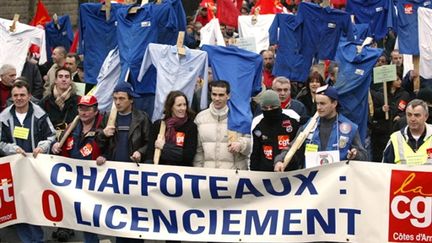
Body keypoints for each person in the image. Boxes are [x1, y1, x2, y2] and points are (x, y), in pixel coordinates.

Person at [0, 80, 56, 243]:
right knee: (18, 208)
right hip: (13, 169)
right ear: (11, 97)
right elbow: (1, 141)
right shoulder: (3, 117)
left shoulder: (40, 113)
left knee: (35, 207)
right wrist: (13, 149)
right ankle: (26, 240)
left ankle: (38, 239)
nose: (19, 98)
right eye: (15, 95)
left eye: (22, 95)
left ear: (29, 96)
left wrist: (42, 146)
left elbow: (51, 136)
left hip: (35, 169)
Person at [96, 82, 150, 242]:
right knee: (119, 216)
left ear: (131, 100)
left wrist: (140, 152)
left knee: (135, 216)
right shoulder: (108, 117)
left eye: (121, 98)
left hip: (134, 174)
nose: (117, 102)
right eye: (115, 99)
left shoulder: (141, 118)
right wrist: (103, 135)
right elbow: (100, 145)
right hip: (114, 175)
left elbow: (149, 143)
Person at [274, 85, 367, 171]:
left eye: (322, 104)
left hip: (338, 181)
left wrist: (356, 154)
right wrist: (279, 160)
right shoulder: (309, 126)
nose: (318, 107)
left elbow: (364, 156)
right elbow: (292, 147)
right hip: (314, 180)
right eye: (317, 104)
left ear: (334, 103)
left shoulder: (349, 128)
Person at [51, 95, 102, 243]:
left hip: (92, 180)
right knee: (68, 209)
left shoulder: (101, 129)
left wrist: (103, 157)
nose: (84, 112)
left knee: (89, 219)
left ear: (95, 111)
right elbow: (61, 147)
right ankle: (64, 229)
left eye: (88, 109)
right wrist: (56, 146)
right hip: (71, 178)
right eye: (81, 108)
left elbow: (107, 150)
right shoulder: (72, 126)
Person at [194, 80, 251, 170]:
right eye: (214, 94)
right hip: (208, 175)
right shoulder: (200, 118)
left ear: (228, 96)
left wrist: (241, 145)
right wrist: (198, 171)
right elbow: (198, 151)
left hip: (234, 176)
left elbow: (252, 143)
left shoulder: (240, 116)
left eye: (221, 95)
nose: (217, 98)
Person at [250, 90, 301, 171]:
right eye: (265, 108)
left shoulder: (292, 123)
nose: (269, 110)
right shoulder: (259, 127)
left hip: (289, 171)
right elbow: (255, 155)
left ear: (279, 105)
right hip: (267, 174)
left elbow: (298, 148)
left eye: (273, 107)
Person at [146, 90, 197, 167]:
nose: (183, 108)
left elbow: (188, 156)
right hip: (160, 171)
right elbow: (150, 152)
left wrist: (164, 147)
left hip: (182, 172)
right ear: (171, 107)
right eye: (179, 105)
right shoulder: (159, 125)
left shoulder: (191, 126)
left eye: (184, 105)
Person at [383, 99, 432, 164]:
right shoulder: (395, 139)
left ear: (426, 117)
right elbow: (385, 169)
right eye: (409, 115)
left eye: (417, 115)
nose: (412, 119)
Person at [39, 67, 79, 136]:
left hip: (72, 139)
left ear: (71, 81)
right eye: (60, 76)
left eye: (67, 77)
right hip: (49, 139)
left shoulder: (78, 101)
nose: (64, 79)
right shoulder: (45, 102)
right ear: (55, 80)